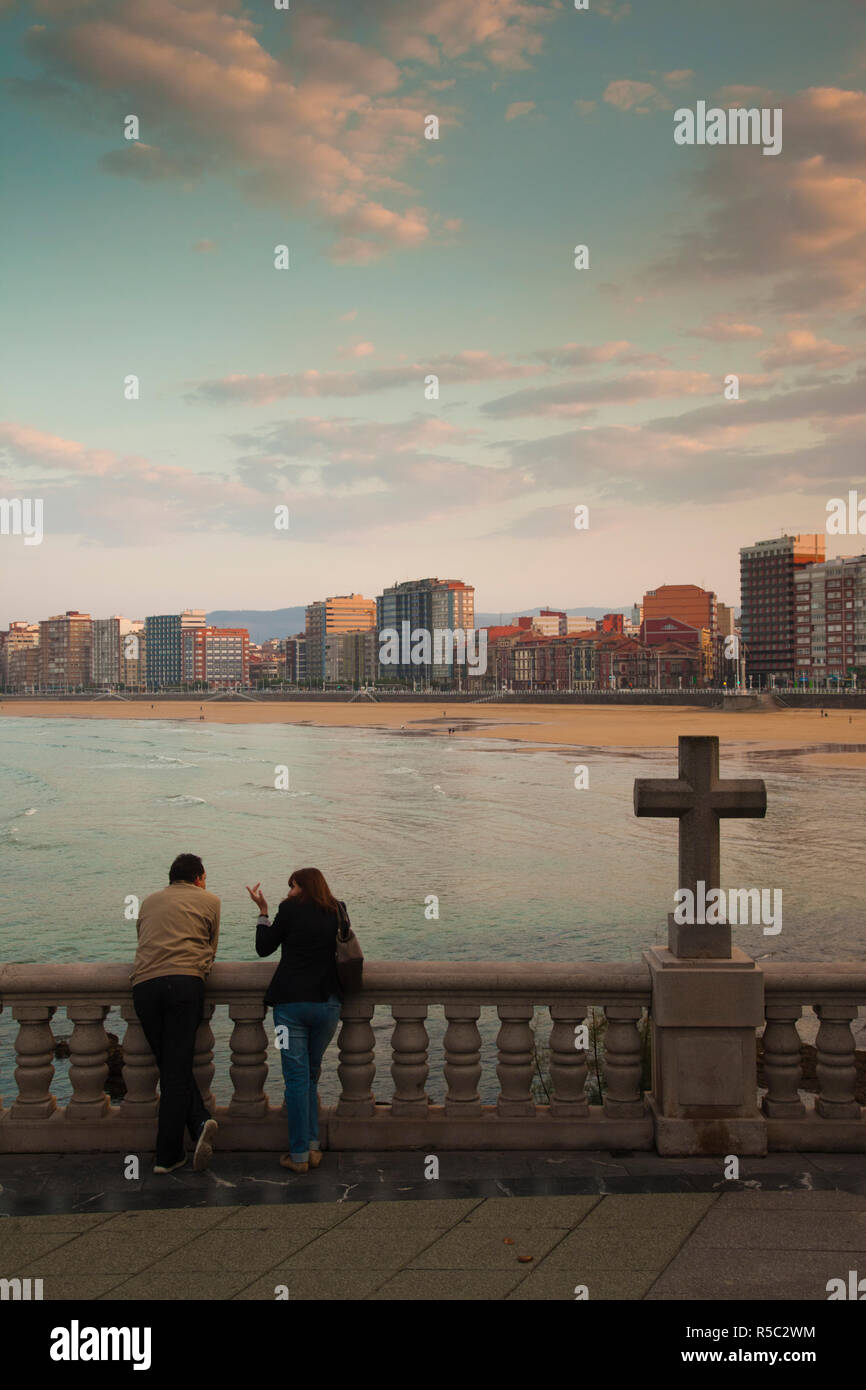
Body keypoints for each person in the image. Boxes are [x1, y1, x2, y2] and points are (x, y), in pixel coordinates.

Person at [246, 868, 345, 1173]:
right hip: (328, 1004)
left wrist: (263, 912)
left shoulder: (288, 909)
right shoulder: (337, 909)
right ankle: (312, 1146)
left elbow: (264, 948)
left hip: (290, 1006)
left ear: (301, 887)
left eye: (292, 886)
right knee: (311, 1075)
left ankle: (299, 1154)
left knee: (296, 1079)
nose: (288, 892)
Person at [131, 853, 220, 1174]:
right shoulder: (210, 900)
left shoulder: (149, 902)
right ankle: (168, 1155)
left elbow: (143, 941)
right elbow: (210, 949)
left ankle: (198, 1124)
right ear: (198, 878)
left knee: (171, 1066)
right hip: (184, 984)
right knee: (175, 1069)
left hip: (144, 986)